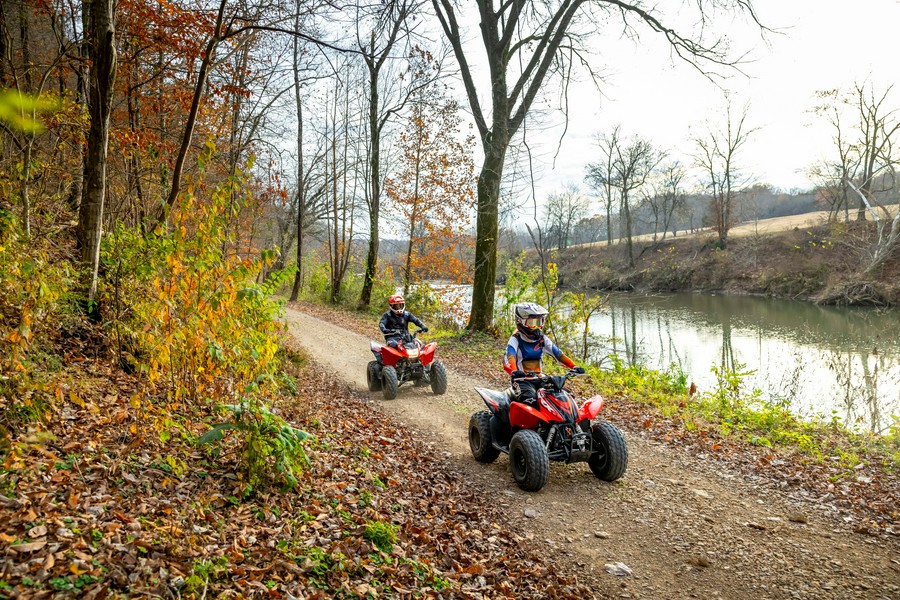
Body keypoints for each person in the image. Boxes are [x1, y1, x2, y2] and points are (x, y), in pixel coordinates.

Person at [503, 302, 584, 404]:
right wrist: (514, 371)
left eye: (540, 322)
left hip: (541, 378)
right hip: (521, 380)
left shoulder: (542, 339)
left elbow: (559, 355)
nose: (537, 327)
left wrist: (574, 366)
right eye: (532, 323)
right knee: (530, 400)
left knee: (565, 397)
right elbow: (509, 357)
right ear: (520, 321)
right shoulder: (516, 339)